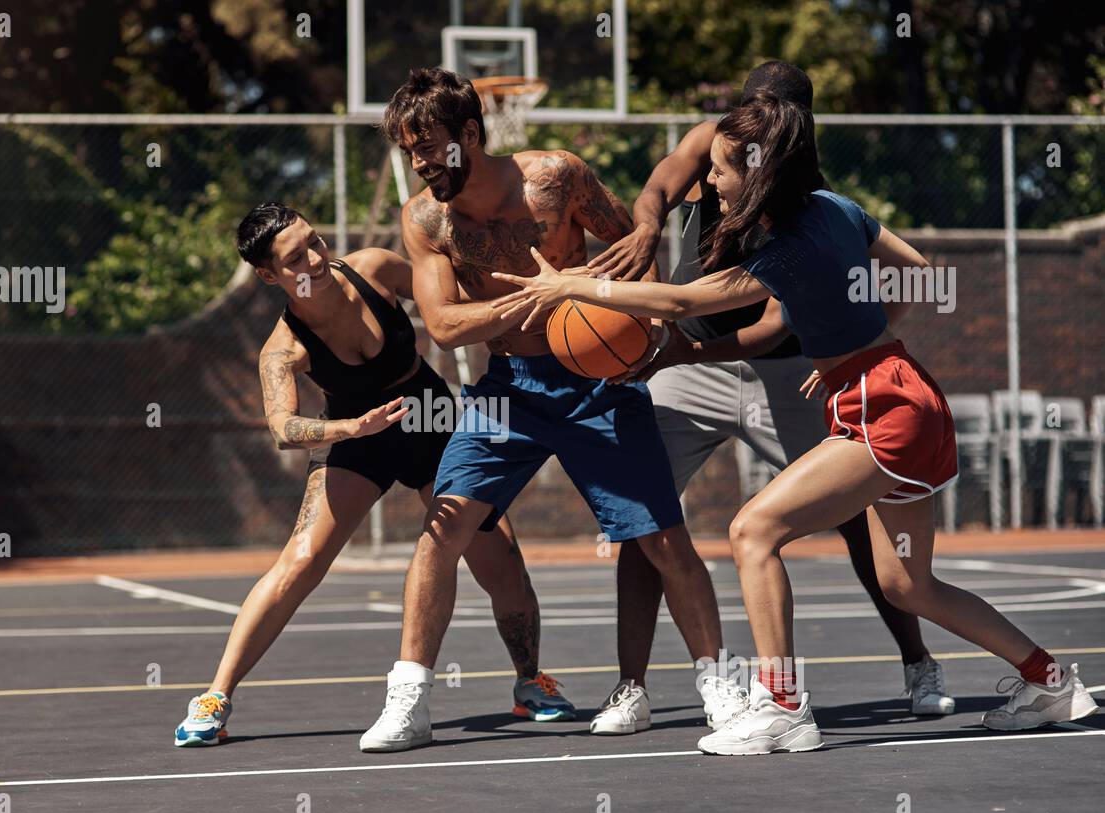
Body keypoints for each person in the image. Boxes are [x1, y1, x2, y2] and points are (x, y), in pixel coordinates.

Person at [490, 93, 1099, 755]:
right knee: (907, 582)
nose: (712, 180)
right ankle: (1051, 681)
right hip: (903, 392)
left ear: (757, 173)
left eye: (722, 169)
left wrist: (570, 288)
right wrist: (856, 346)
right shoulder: (836, 209)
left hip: (884, 410)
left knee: (752, 530)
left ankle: (782, 707)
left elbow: (679, 300)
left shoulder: (785, 246)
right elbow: (917, 273)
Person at [358, 67, 744, 753]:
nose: (418, 163)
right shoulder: (424, 219)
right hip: (508, 387)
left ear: (470, 134)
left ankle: (717, 685)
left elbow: (636, 253)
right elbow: (444, 325)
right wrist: (540, 297)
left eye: (429, 146)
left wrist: (638, 327)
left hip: (596, 380)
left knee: (661, 538)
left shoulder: (558, 178)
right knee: (441, 531)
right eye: (408, 150)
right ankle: (409, 697)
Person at [584, 60, 954, 717]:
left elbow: (766, 327)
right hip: (687, 366)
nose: (750, 136)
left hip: (776, 369)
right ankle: (632, 686)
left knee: (854, 516)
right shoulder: (714, 139)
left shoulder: (807, 207)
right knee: (649, 513)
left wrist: (865, 345)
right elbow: (657, 188)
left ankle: (917, 663)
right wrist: (647, 225)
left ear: (794, 130)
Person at [173, 201, 573, 746]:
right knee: (302, 559)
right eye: (296, 259)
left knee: (500, 558)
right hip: (357, 438)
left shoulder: (375, 268)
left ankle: (531, 682)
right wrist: (349, 429)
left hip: (431, 419)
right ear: (269, 276)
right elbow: (283, 427)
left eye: (315, 241)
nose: (316, 259)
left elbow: (448, 304)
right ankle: (215, 695)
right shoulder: (283, 349)